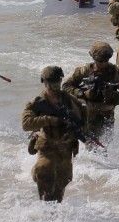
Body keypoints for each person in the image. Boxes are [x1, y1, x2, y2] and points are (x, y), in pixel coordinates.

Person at [22, 66, 86, 203]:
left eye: (58, 81)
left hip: (66, 148)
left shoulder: (71, 101)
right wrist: (50, 120)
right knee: (44, 172)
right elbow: (26, 124)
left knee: (62, 183)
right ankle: (44, 214)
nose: (56, 85)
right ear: (44, 82)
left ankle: (56, 219)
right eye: (52, 82)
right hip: (47, 146)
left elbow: (83, 121)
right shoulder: (38, 102)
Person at [62, 42, 119, 141]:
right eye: (100, 61)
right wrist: (83, 93)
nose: (103, 63)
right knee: (91, 146)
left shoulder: (117, 73)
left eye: (106, 60)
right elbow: (66, 87)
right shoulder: (84, 71)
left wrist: (110, 95)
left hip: (108, 115)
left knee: (106, 145)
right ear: (94, 58)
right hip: (89, 114)